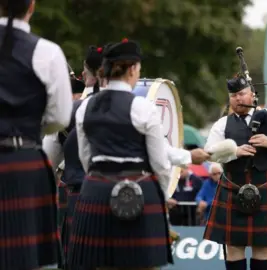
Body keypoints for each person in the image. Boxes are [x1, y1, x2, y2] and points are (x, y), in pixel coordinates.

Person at [68, 38, 172, 269]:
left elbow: (86, 157)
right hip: (139, 190)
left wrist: (99, 179)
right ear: (133, 69)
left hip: (94, 189)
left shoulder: (85, 106)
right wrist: (160, 196)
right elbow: (160, 164)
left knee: (98, 264)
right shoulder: (144, 107)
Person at [0, 0, 73, 269]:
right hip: (22, 159)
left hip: (22, 158)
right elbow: (60, 118)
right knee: (21, 259)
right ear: (31, 6)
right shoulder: (48, 52)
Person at [203, 74, 267, 270]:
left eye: (241, 94)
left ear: (252, 94)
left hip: (264, 188)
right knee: (234, 248)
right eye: (233, 96)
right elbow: (210, 152)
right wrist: (234, 151)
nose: (237, 99)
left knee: (262, 248)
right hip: (232, 188)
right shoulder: (222, 124)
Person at [43, 44, 105, 268]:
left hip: (82, 198)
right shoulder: (139, 107)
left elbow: (47, 162)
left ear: (92, 73)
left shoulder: (72, 111)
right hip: (125, 199)